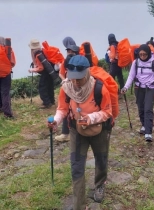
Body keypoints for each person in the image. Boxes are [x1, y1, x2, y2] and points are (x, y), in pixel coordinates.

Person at [48, 55, 112, 209]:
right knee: (76, 166)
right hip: (76, 130)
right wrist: (56, 120)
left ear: (87, 73)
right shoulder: (66, 88)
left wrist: (91, 118)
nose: (76, 82)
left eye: (80, 79)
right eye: (73, 78)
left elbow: (107, 111)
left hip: (99, 130)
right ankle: (79, 204)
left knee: (101, 159)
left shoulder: (99, 88)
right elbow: (62, 109)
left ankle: (100, 185)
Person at [121, 44, 154, 142]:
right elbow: (131, 76)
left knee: (148, 109)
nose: (142, 56)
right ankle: (143, 125)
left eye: (144, 54)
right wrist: (126, 87)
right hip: (139, 88)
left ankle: (148, 132)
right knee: (141, 108)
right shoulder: (135, 62)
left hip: (150, 88)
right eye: (141, 54)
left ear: (148, 53)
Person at [55, 37, 80, 142]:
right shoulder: (66, 61)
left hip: (79, 87)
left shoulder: (80, 60)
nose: (70, 52)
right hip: (69, 87)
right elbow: (61, 73)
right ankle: (65, 133)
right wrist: (65, 80)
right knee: (67, 107)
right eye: (69, 50)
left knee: (80, 108)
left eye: (71, 51)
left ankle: (80, 130)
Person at [28, 39, 55, 109]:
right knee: (50, 86)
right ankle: (51, 101)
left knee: (42, 87)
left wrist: (32, 70)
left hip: (45, 72)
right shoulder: (43, 50)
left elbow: (41, 68)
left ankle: (47, 103)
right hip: (51, 70)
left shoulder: (37, 54)